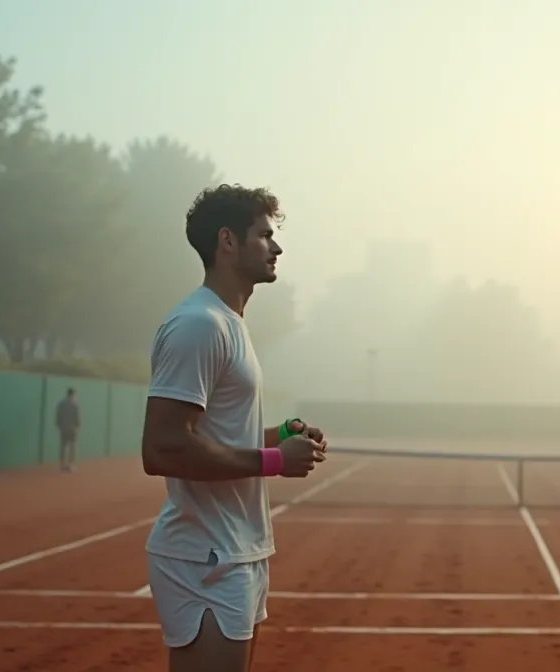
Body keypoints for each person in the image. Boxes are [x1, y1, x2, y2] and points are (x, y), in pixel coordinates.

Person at [140, 184, 328, 672]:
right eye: (265, 235)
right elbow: (162, 448)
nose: (277, 247)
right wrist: (273, 461)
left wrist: (282, 437)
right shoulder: (199, 324)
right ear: (228, 241)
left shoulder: (228, 323)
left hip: (235, 550)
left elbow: (215, 437)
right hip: (205, 556)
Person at [55, 387, 80, 472]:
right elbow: (77, 417)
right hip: (72, 428)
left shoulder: (61, 404)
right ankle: (70, 465)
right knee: (72, 446)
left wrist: (58, 425)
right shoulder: (74, 404)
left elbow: (58, 415)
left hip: (63, 428)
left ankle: (62, 464)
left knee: (63, 446)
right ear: (73, 394)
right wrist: (78, 426)